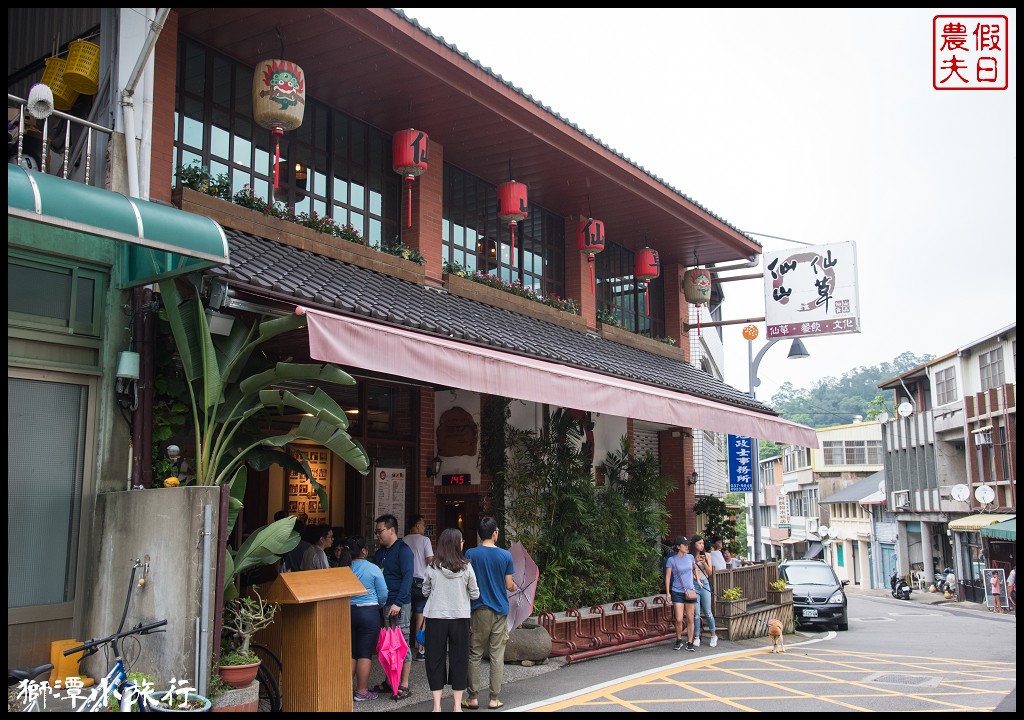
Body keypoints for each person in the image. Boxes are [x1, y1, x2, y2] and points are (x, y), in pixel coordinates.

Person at [422, 527, 480, 713]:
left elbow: (425, 591)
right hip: (460, 618)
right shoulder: (466, 566)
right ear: (456, 544)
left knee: (435, 660)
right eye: (461, 540)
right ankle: (456, 706)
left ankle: (437, 706)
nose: (463, 543)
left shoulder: (432, 566)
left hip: (435, 618)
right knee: (459, 659)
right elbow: (475, 593)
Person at [463, 517, 517, 710]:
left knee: (475, 653)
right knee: (496, 655)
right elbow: (509, 585)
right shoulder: (505, 556)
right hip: (500, 611)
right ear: (494, 533)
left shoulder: (471, 553)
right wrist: (513, 587)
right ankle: (494, 699)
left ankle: (473, 697)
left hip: (478, 610)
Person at [372, 513, 414, 699]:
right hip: (384, 605)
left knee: (402, 644)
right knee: (388, 645)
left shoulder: (404, 550)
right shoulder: (380, 553)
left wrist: (398, 602)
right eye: (376, 532)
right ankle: (390, 681)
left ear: (391, 530)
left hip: (400, 604)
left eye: (380, 531)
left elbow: (408, 578)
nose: (377, 535)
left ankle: (403, 684)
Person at [347, 535, 388, 702]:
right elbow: (383, 594)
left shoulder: (343, 568)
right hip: (368, 613)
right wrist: (377, 605)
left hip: (347, 612)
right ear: (364, 551)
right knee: (364, 653)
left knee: (351, 653)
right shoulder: (373, 568)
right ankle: (362, 691)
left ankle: (343, 689)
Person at [404, 513, 435, 661]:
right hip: (420, 583)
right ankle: (420, 650)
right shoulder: (424, 540)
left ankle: (404, 648)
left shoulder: (403, 540)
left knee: (406, 614)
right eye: (422, 524)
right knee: (420, 616)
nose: (424, 527)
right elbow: (430, 560)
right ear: (417, 525)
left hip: (406, 582)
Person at [664, 535, 697, 652]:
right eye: (684, 544)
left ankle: (690, 642)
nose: (687, 546)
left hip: (690, 591)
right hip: (677, 591)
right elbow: (668, 577)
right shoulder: (671, 560)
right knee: (678, 618)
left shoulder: (691, 557)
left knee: (690, 618)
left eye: (687, 544)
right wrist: (668, 592)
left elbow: (694, 569)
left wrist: (697, 580)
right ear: (678, 547)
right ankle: (678, 639)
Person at [690, 535, 719, 648]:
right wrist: (694, 562)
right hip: (693, 584)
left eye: (702, 543)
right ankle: (696, 636)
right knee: (696, 614)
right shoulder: (690, 556)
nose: (702, 545)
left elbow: (710, 572)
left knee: (708, 611)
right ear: (694, 544)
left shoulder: (707, 555)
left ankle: (713, 635)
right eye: (699, 543)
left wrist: (704, 563)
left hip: (704, 583)